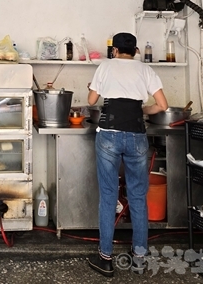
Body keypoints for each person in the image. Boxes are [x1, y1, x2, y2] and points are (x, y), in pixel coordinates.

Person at [86, 32, 168, 277]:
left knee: (109, 196)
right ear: (136, 51)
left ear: (114, 51)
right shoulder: (145, 70)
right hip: (137, 137)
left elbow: (91, 100)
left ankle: (105, 258)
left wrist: (96, 88)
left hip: (109, 135)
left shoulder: (105, 66)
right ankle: (140, 259)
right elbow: (162, 105)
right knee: (138, 197)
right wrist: (143, 109)